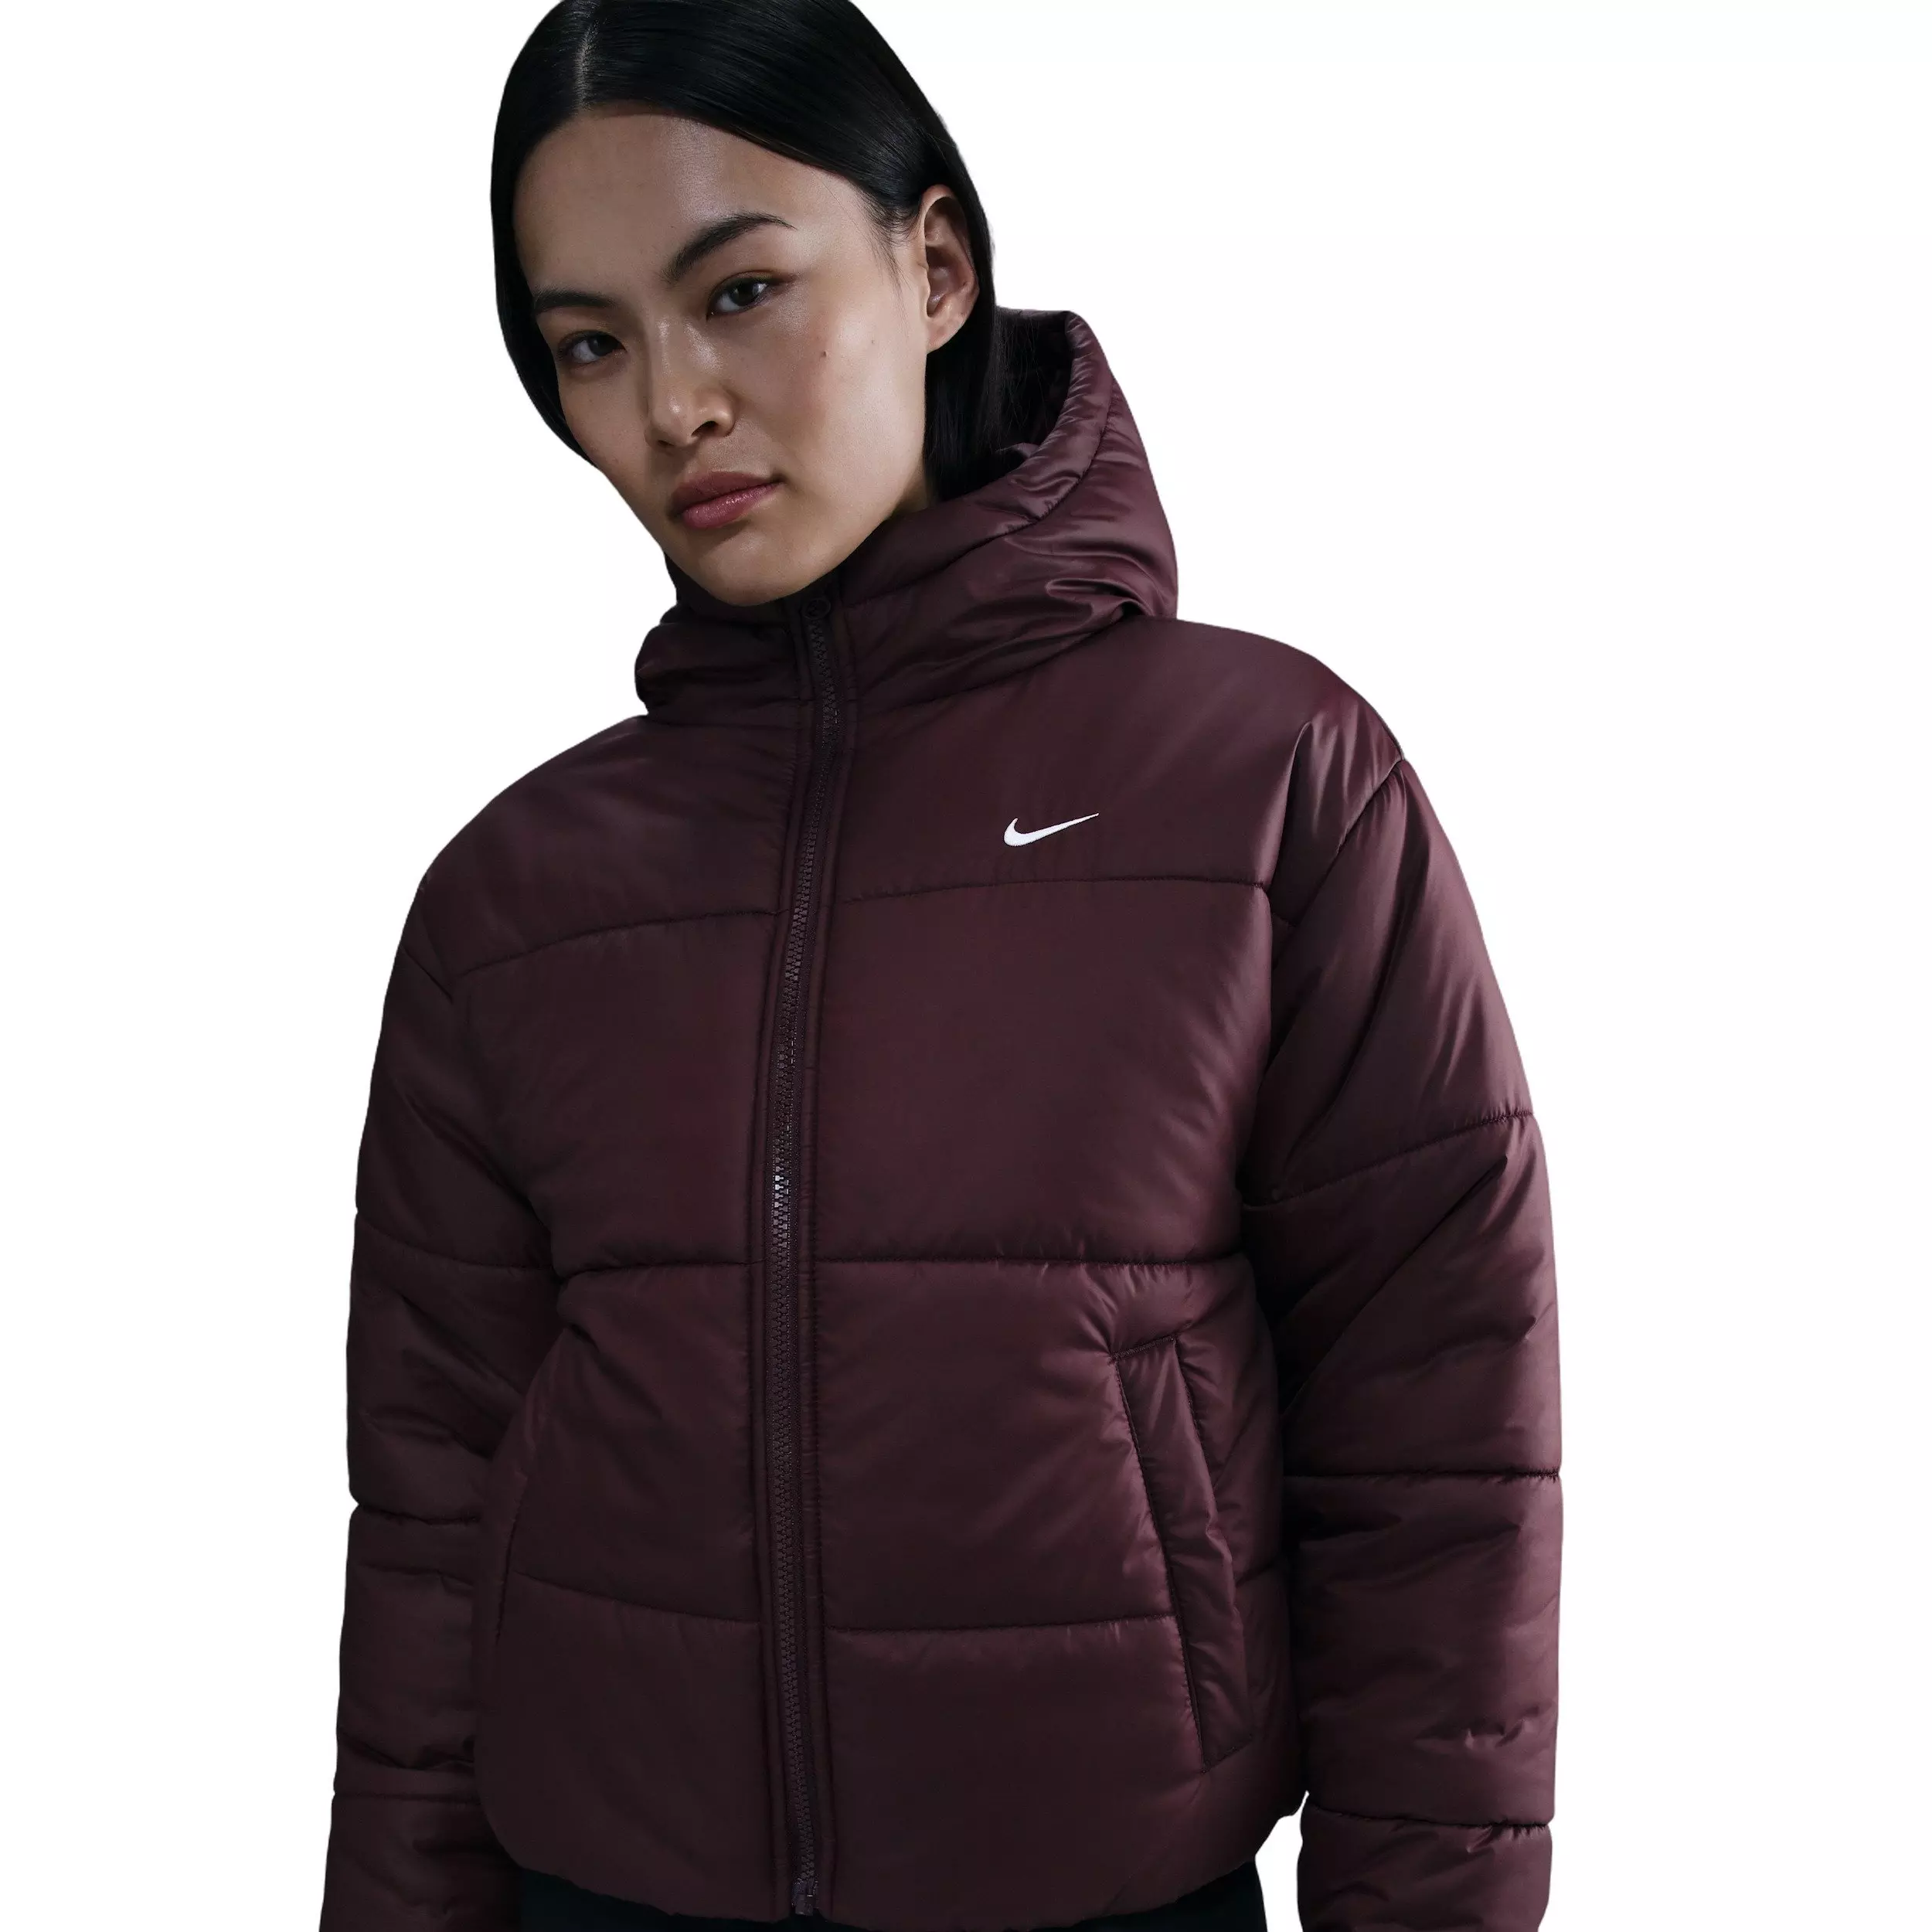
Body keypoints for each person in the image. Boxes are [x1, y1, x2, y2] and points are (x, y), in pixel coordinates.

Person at [318, 3, 1562, 1930]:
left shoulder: (1264, 783)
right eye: (590, 342)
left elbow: (1437, 1437)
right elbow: (429, 1515)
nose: (673, 404)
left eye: (737, 290)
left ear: (934, 266)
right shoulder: (516, 895)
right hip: (600, 1889)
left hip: (1100, 1890)